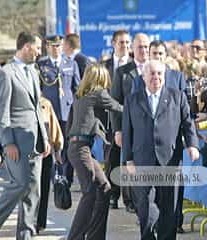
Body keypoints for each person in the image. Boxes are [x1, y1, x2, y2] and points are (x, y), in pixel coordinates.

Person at [0, 31, 50, 240]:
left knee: (33, 190)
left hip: (35, 141)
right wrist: (7, 141)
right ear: (26, 47)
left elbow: (37, 108)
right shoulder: (6, 73)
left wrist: (44, 138)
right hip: (16, 143)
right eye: (37, 48)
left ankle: (26, 233)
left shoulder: (33, 72)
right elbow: (1, 112)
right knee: (18, 185)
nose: (39, 52)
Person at [122, 60, 199, 240]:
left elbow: (188, 124)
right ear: (144, 77)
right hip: (143, 160)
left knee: (169, 207)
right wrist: (128, 159)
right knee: (146, 206)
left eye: (159, 74)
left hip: (170, 159)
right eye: (152, 74)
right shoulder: (132, 100)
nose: (156, 77)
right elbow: (127, 132)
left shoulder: (177, 97)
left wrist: (192, 145)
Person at [66, 63, 123, 240]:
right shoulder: (98, 93)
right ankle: (75, 236)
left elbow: (70, 124)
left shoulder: (80, 95)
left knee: (104, 188)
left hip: (77, 148)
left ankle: (95, 236)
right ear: (100, 78)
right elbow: (119, 108)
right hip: (81, 149)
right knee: (89, 193)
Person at [110, 32, 150, 213]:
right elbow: (115, 101)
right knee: (130, 164)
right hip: (129, 127)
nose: (144, 50)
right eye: (140, 47)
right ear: (133, 49)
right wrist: (118, 129)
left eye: (146, 47)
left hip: (150, 128)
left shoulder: (155, 69)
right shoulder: (123, 72)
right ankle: (131, 201)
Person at [37, 34, 80, 186]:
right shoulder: (41, 65)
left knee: (67, 146)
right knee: (50, 144)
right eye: (54, 46)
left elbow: (77, 89)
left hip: (67, 112)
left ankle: (65, 178)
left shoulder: (71, 63)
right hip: (49, 113)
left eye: (59, 46)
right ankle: (52, 177)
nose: (57, 49)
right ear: (47, 47)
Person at [103, 29, 131, 209]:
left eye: (128, 43)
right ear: (113, 44)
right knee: (111, 159)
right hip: (108, 121)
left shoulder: (134, 66)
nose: (125, 46)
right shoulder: (103, 66)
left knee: (129, 160)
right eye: (122, 42)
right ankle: (113, 195)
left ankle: (129, 200)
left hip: (129, 119)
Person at [36, 96, 63, 233]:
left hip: (46, 153)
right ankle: (29, 221)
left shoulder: (45, 104)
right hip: (27, 153)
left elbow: (54, 128)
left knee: (44, 187)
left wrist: (57, 150)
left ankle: (40, 222)